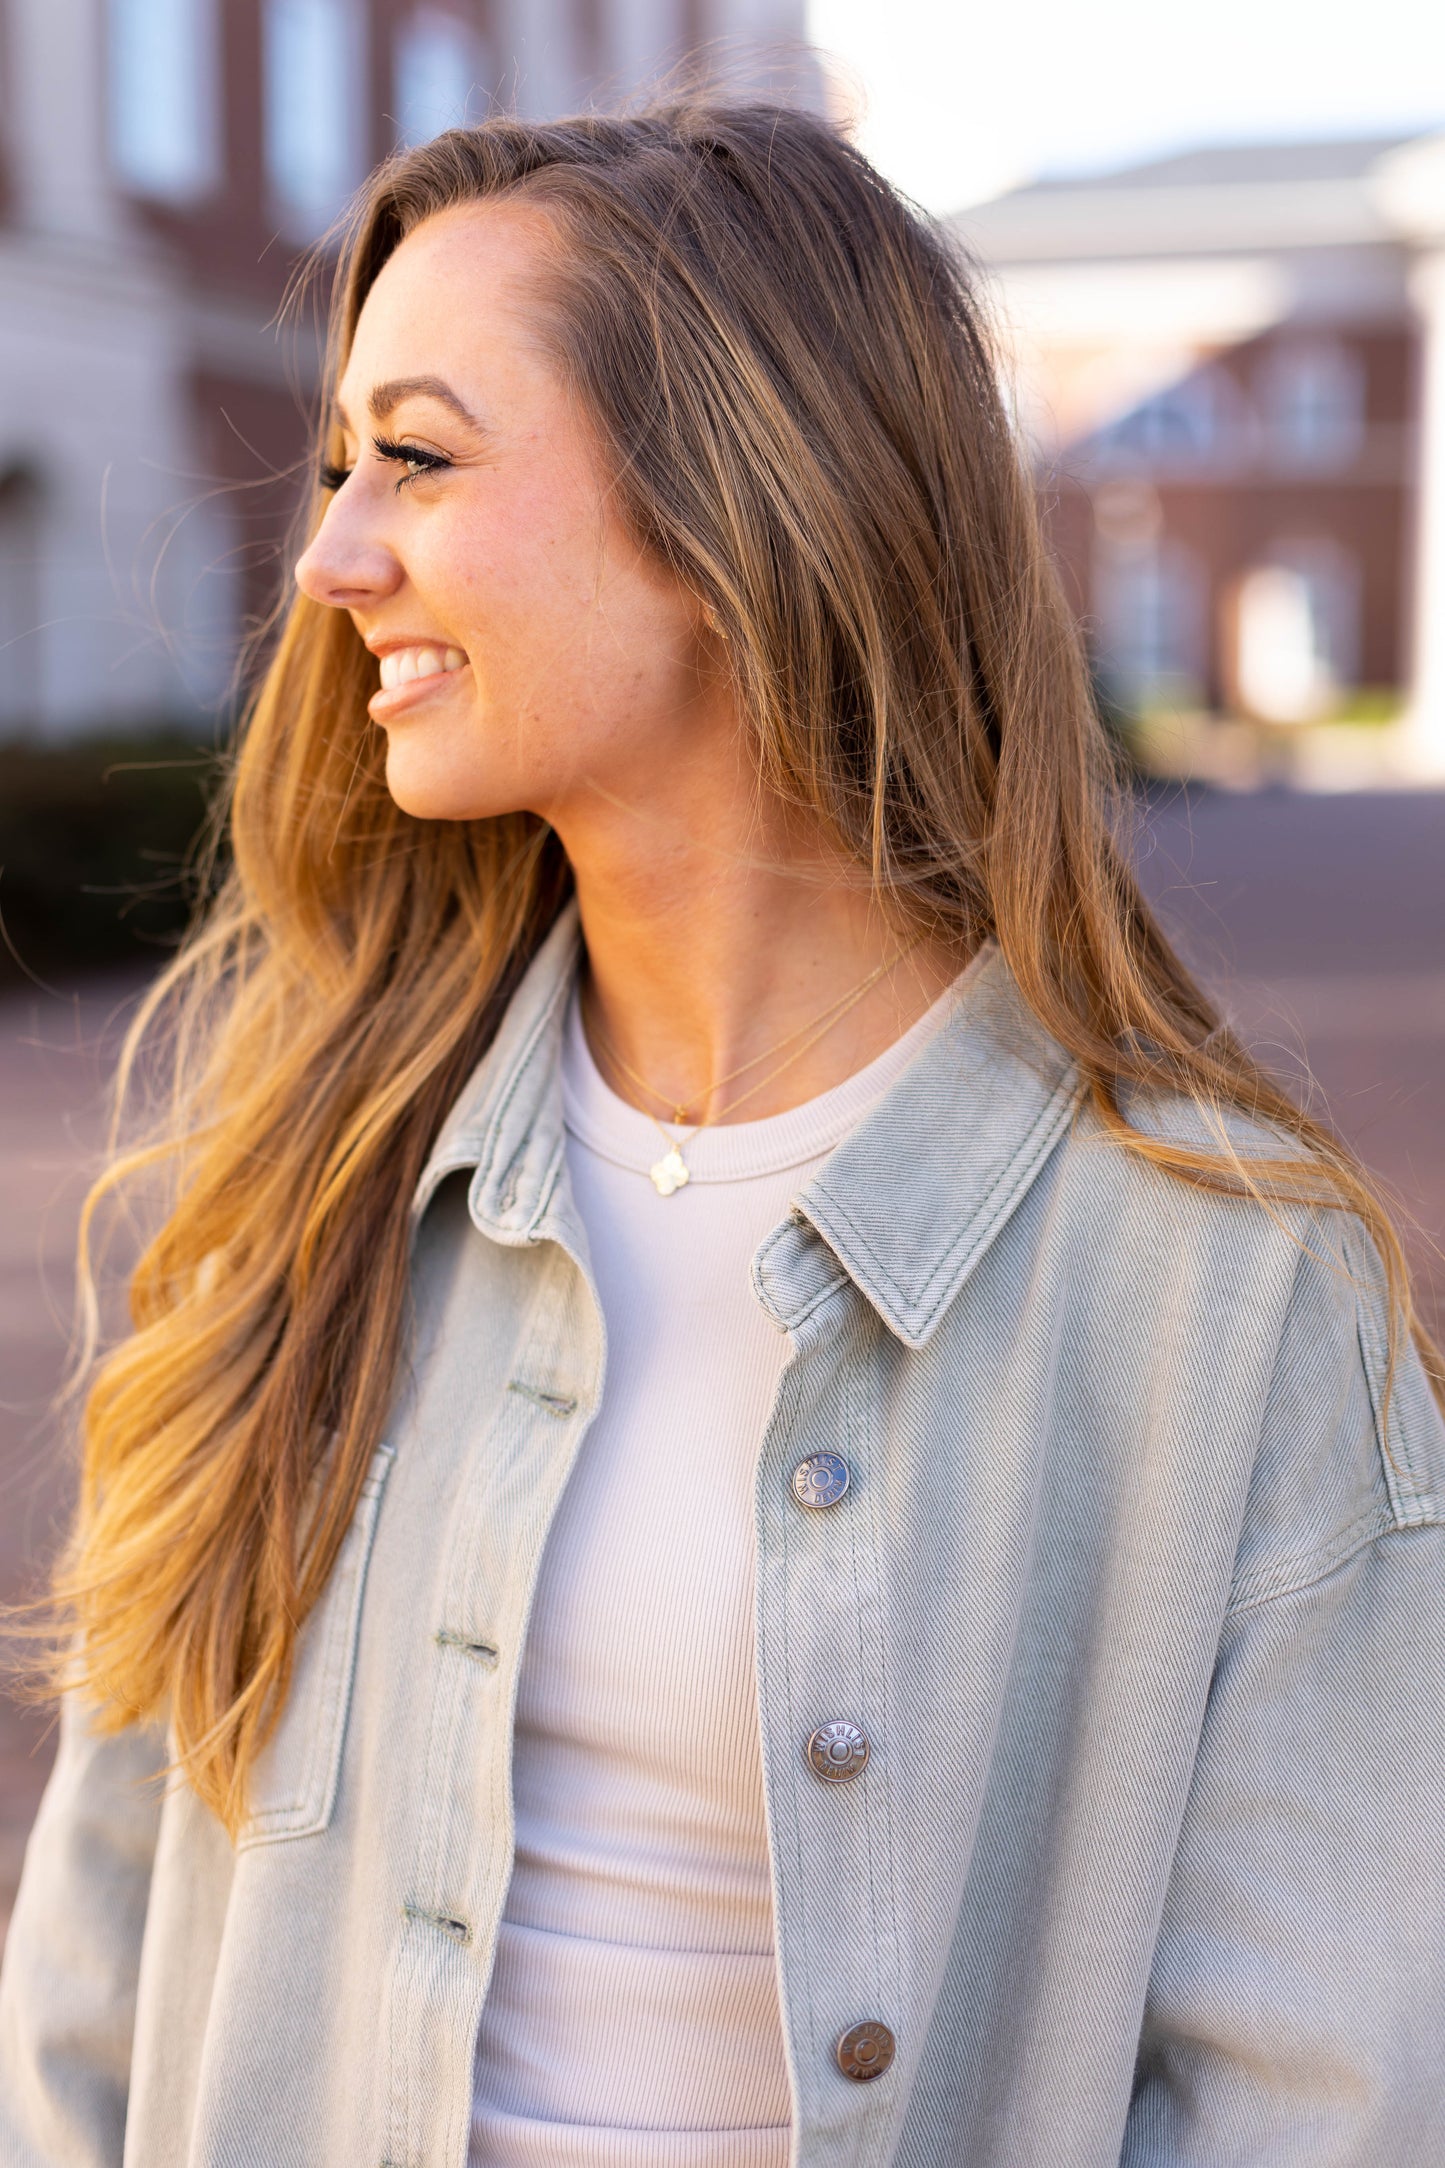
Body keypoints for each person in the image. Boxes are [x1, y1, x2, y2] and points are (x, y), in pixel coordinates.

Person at [2, 99, 1443, 2168]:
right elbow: (87, 1997)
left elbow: (1329, 2113)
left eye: (412, 455)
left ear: (733, 511)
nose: (328, 555)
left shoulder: (1238, 1308)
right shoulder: (297, 1205)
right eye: (335, 468)